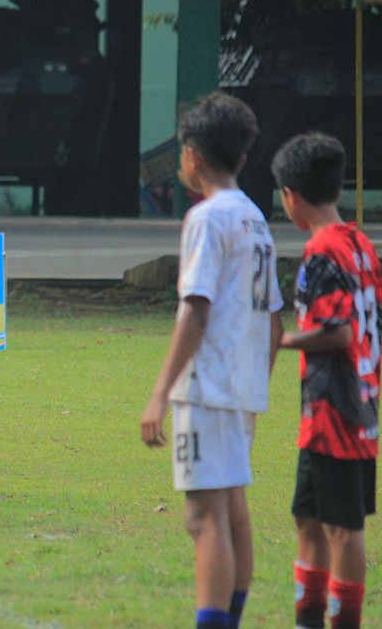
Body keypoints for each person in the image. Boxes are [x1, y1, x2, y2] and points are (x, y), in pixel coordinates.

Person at [139, 92, 283, 629]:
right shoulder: (256, 219)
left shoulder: (207, 218)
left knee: (204, 518)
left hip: (206, 386)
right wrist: (255, 387)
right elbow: (274, 320)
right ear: (242, 158)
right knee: (233, 511)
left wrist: (160, 391)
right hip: (241, 387)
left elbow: (195, 310)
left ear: (193, 157)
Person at [272, 132, 379, 629]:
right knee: (308, 520)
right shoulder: (361, 245)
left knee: (342, 529)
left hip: (336, 408)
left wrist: (281, 341)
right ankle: (308, 620)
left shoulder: (321, 251)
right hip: (350, 403)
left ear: (290, 196)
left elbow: (335, 334)